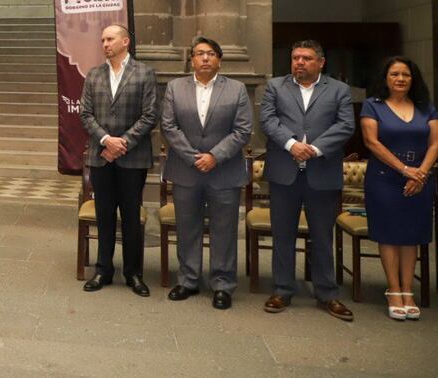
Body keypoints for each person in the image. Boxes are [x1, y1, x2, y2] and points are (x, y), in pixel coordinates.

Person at [260, 39, 355, 322]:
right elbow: (267, 120)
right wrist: (291, 144)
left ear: (321, 62)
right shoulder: (276, 86)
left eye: (306, 58)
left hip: (322, 171)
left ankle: (327, 293)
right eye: (295, 58)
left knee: (322, 236)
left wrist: (313, 149)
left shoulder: (338, 90)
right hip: (284, 172)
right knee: (282, 234)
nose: (299, 62)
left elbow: (345, 125)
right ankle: (282, 289)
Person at [161, 36, 252, 310]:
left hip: (223, 171)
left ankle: (222, 284)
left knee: (224, 230)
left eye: (211, 54)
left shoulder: (237, 89)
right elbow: (168, 125)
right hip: (186, 171)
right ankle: (188, 279)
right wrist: (193, 157)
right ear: (191, 59)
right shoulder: (175, 87)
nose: (205, 58)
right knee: (187, 228)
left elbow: (243, 130)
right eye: (199, 53)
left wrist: (214, 156)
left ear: (219, 60)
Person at [78, 25, 157, 296]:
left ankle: (133, 273)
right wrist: (106, 141)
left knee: (131, 216)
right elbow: (85, 114)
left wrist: (122, 142)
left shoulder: (144, 73)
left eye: (110, 39)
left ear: (125, 41)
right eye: (102, 40)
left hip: (132, 157)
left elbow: (149, 115)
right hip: (101, 156)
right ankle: (103, 270)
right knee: (104, 214)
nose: (105, 44)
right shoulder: (94, 74)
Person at [360, 56, 437, 321]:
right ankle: (393, 290)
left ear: (412, 78)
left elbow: (435, 143)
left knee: (411, 234)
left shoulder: (426, 107)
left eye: (405, 74)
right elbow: (372, 142)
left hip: (420, 179)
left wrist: (421, 173)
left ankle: (408, 291)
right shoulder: (373, 106)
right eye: (394, 74)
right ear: (386, 78)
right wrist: (405, 170)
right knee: (389, 234)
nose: (400, 79)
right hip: (385, 179)